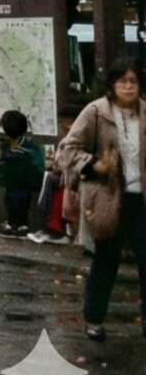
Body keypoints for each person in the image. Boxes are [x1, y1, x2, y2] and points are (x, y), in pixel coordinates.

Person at [56, 59, 145, 342]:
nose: (128, 87)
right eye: (123, 82)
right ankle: (94, 318)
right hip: (109, 199)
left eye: (133, 81)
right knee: (106, 260)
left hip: (140, 199)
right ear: (112, 85)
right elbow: (67, 150)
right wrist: (94, 164)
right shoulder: (96, 112)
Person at [0, 109, 43, 235]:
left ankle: (18, 224)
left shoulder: (8, 147)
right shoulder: (29, 146)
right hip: (16, 184)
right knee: (13, 202)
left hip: (19, 183)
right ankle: (16, 223)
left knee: (16, 202)